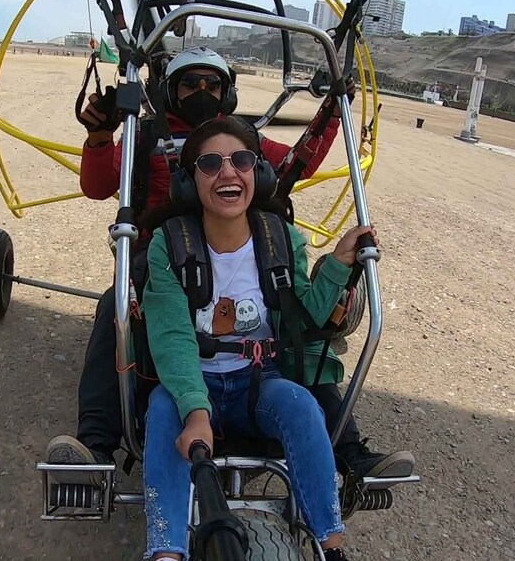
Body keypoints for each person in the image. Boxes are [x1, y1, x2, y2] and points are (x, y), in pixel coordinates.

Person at [46, 46, 413, 490]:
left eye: (211, 84)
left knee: (294, 325)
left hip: (240, 250)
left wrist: (334, 109)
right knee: (115, 307)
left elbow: (300, 160)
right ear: (169, 92)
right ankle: (97, 449)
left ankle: (350, 454)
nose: (201, 91)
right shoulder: (144, 136)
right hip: (163, 257)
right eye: (189, 83)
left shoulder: (243, 141)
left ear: (228, 93)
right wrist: (102, 138)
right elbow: (98, 186)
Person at [142, 116, 363, 561]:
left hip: (256, 382)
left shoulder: (280, 239)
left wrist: (337, 265)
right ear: (190, 181)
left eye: (240, 160)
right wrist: (196, 411)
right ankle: (164, 551)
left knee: (302, 405)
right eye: (210, 164)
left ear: (256, 173)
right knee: (162, 411)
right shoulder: (170, 244)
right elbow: (170, 334)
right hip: (191, 383)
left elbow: (302, 320)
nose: (228, 172)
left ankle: (331, 545)